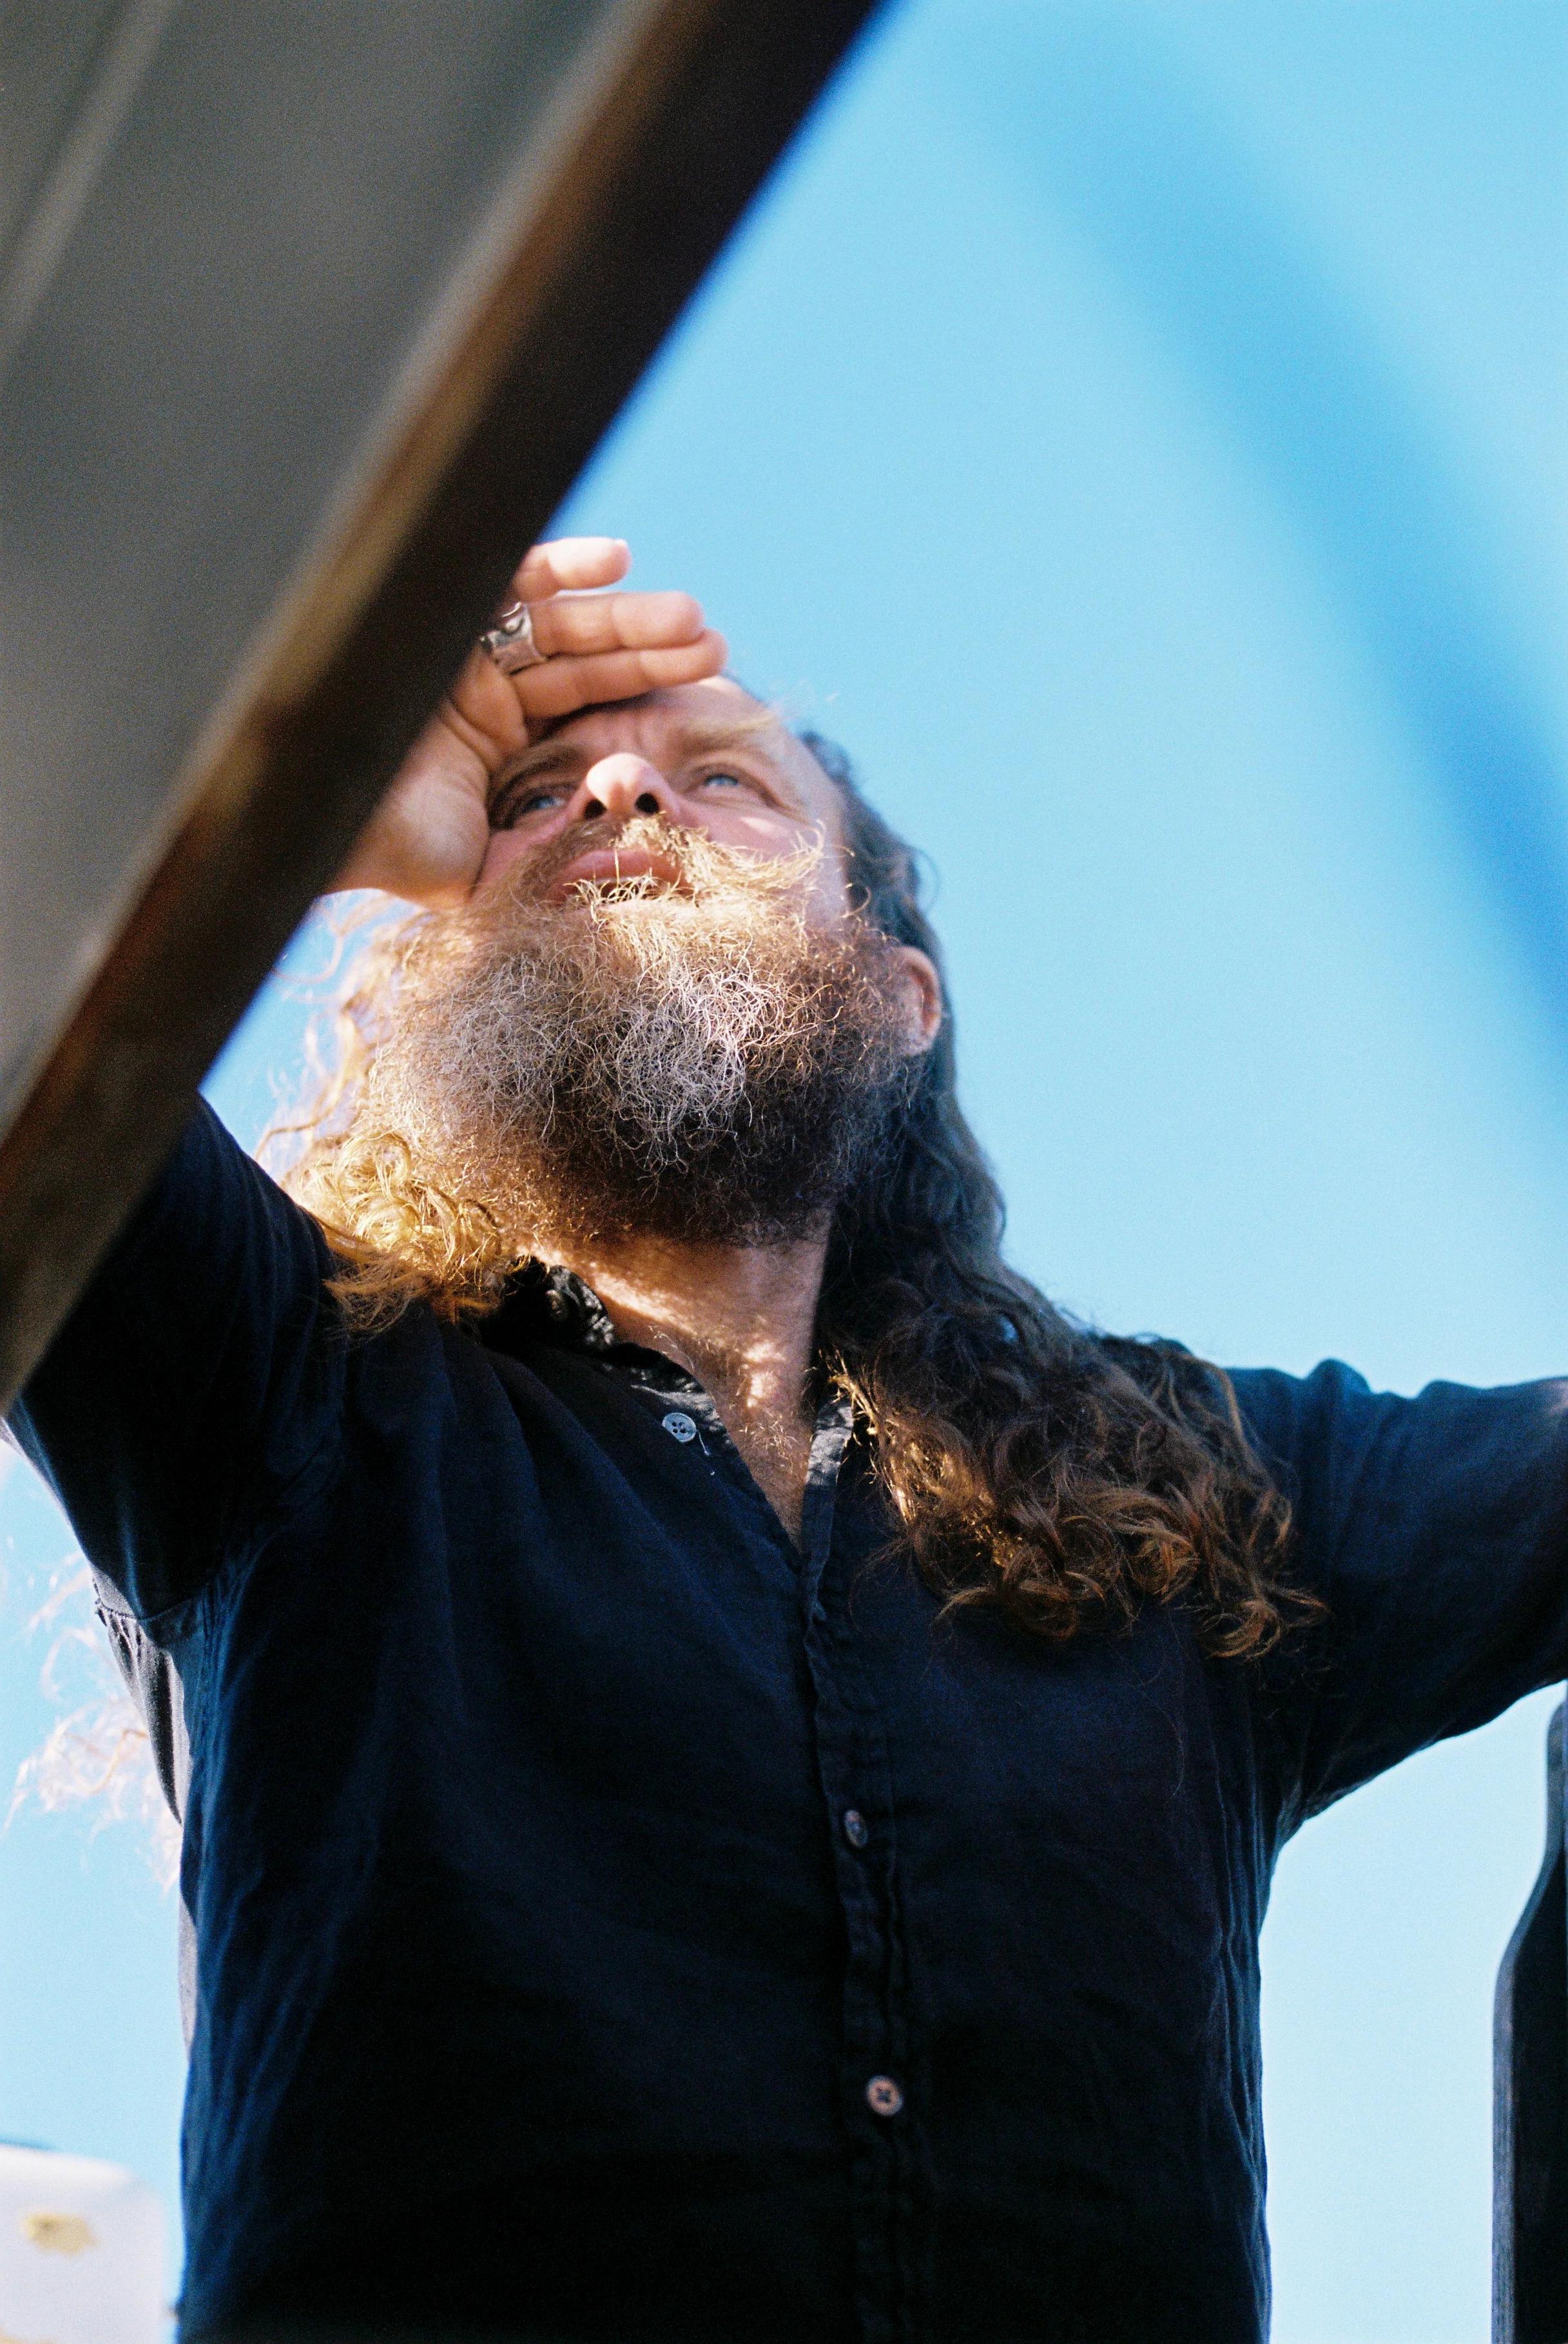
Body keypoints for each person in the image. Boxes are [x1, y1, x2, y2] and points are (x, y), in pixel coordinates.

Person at [10, 534, 1568, 2344]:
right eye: (528, 799)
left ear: (897, 991)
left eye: (724, 780)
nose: (609, 789)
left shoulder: (1203, 1488)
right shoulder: (279, 1376)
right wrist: (302, 756)